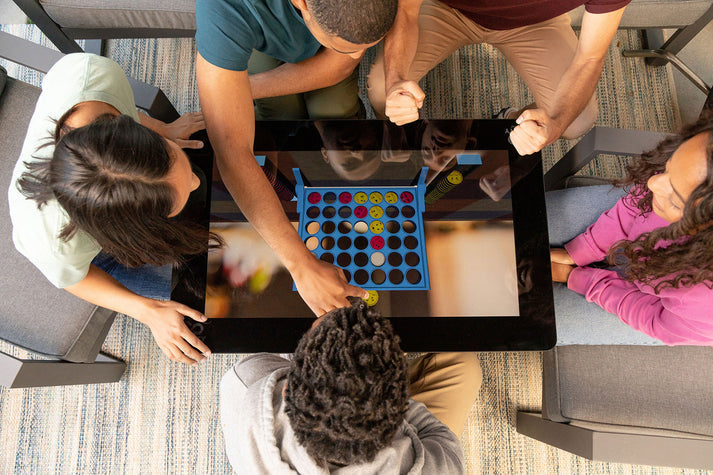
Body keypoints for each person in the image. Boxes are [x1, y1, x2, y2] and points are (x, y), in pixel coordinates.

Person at [9, 53, 217, 365]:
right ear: (132, 230)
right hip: (85, 254)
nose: (194, 183)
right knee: (209, 295)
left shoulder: (94, 74)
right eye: (170, 202)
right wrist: (147, 311)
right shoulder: (53, 241)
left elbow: (126, 115)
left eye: (172, 159)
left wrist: (162, 129)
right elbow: (74, 278)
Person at [195, 0, 399, 315]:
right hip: (262, 33)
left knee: (330, 107)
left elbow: (341, 63)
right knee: (280, 113)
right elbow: (232, 150)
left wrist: (233, 91)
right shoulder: (226, 9)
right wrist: (299, 263)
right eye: (338, 43)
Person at [220, 300, 482, 473]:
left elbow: (288, 360)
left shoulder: (247, 382)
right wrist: (382, 395)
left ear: (288, 389)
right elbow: (442, 438)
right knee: (465, 366)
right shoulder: (430, 468)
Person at [367, 0, 631, 156]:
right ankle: (398, 126)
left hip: (535, 23)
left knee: (577, 120)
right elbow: (407, 13)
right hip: (447, 8)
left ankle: (510, 120)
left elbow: (589, 58)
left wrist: (555, 124)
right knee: (382, 91)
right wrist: (396, 81)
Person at [547, 117, 713, 345]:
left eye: (675, 200)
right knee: (527, 220)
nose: (653, 184)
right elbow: (634, 204)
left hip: (656, 306)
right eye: (669, 166)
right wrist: (580, 249)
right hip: (642, 250)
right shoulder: (666, 182)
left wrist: (577, 278)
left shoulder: (704, 306)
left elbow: (655, 319)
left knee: (539, 320)